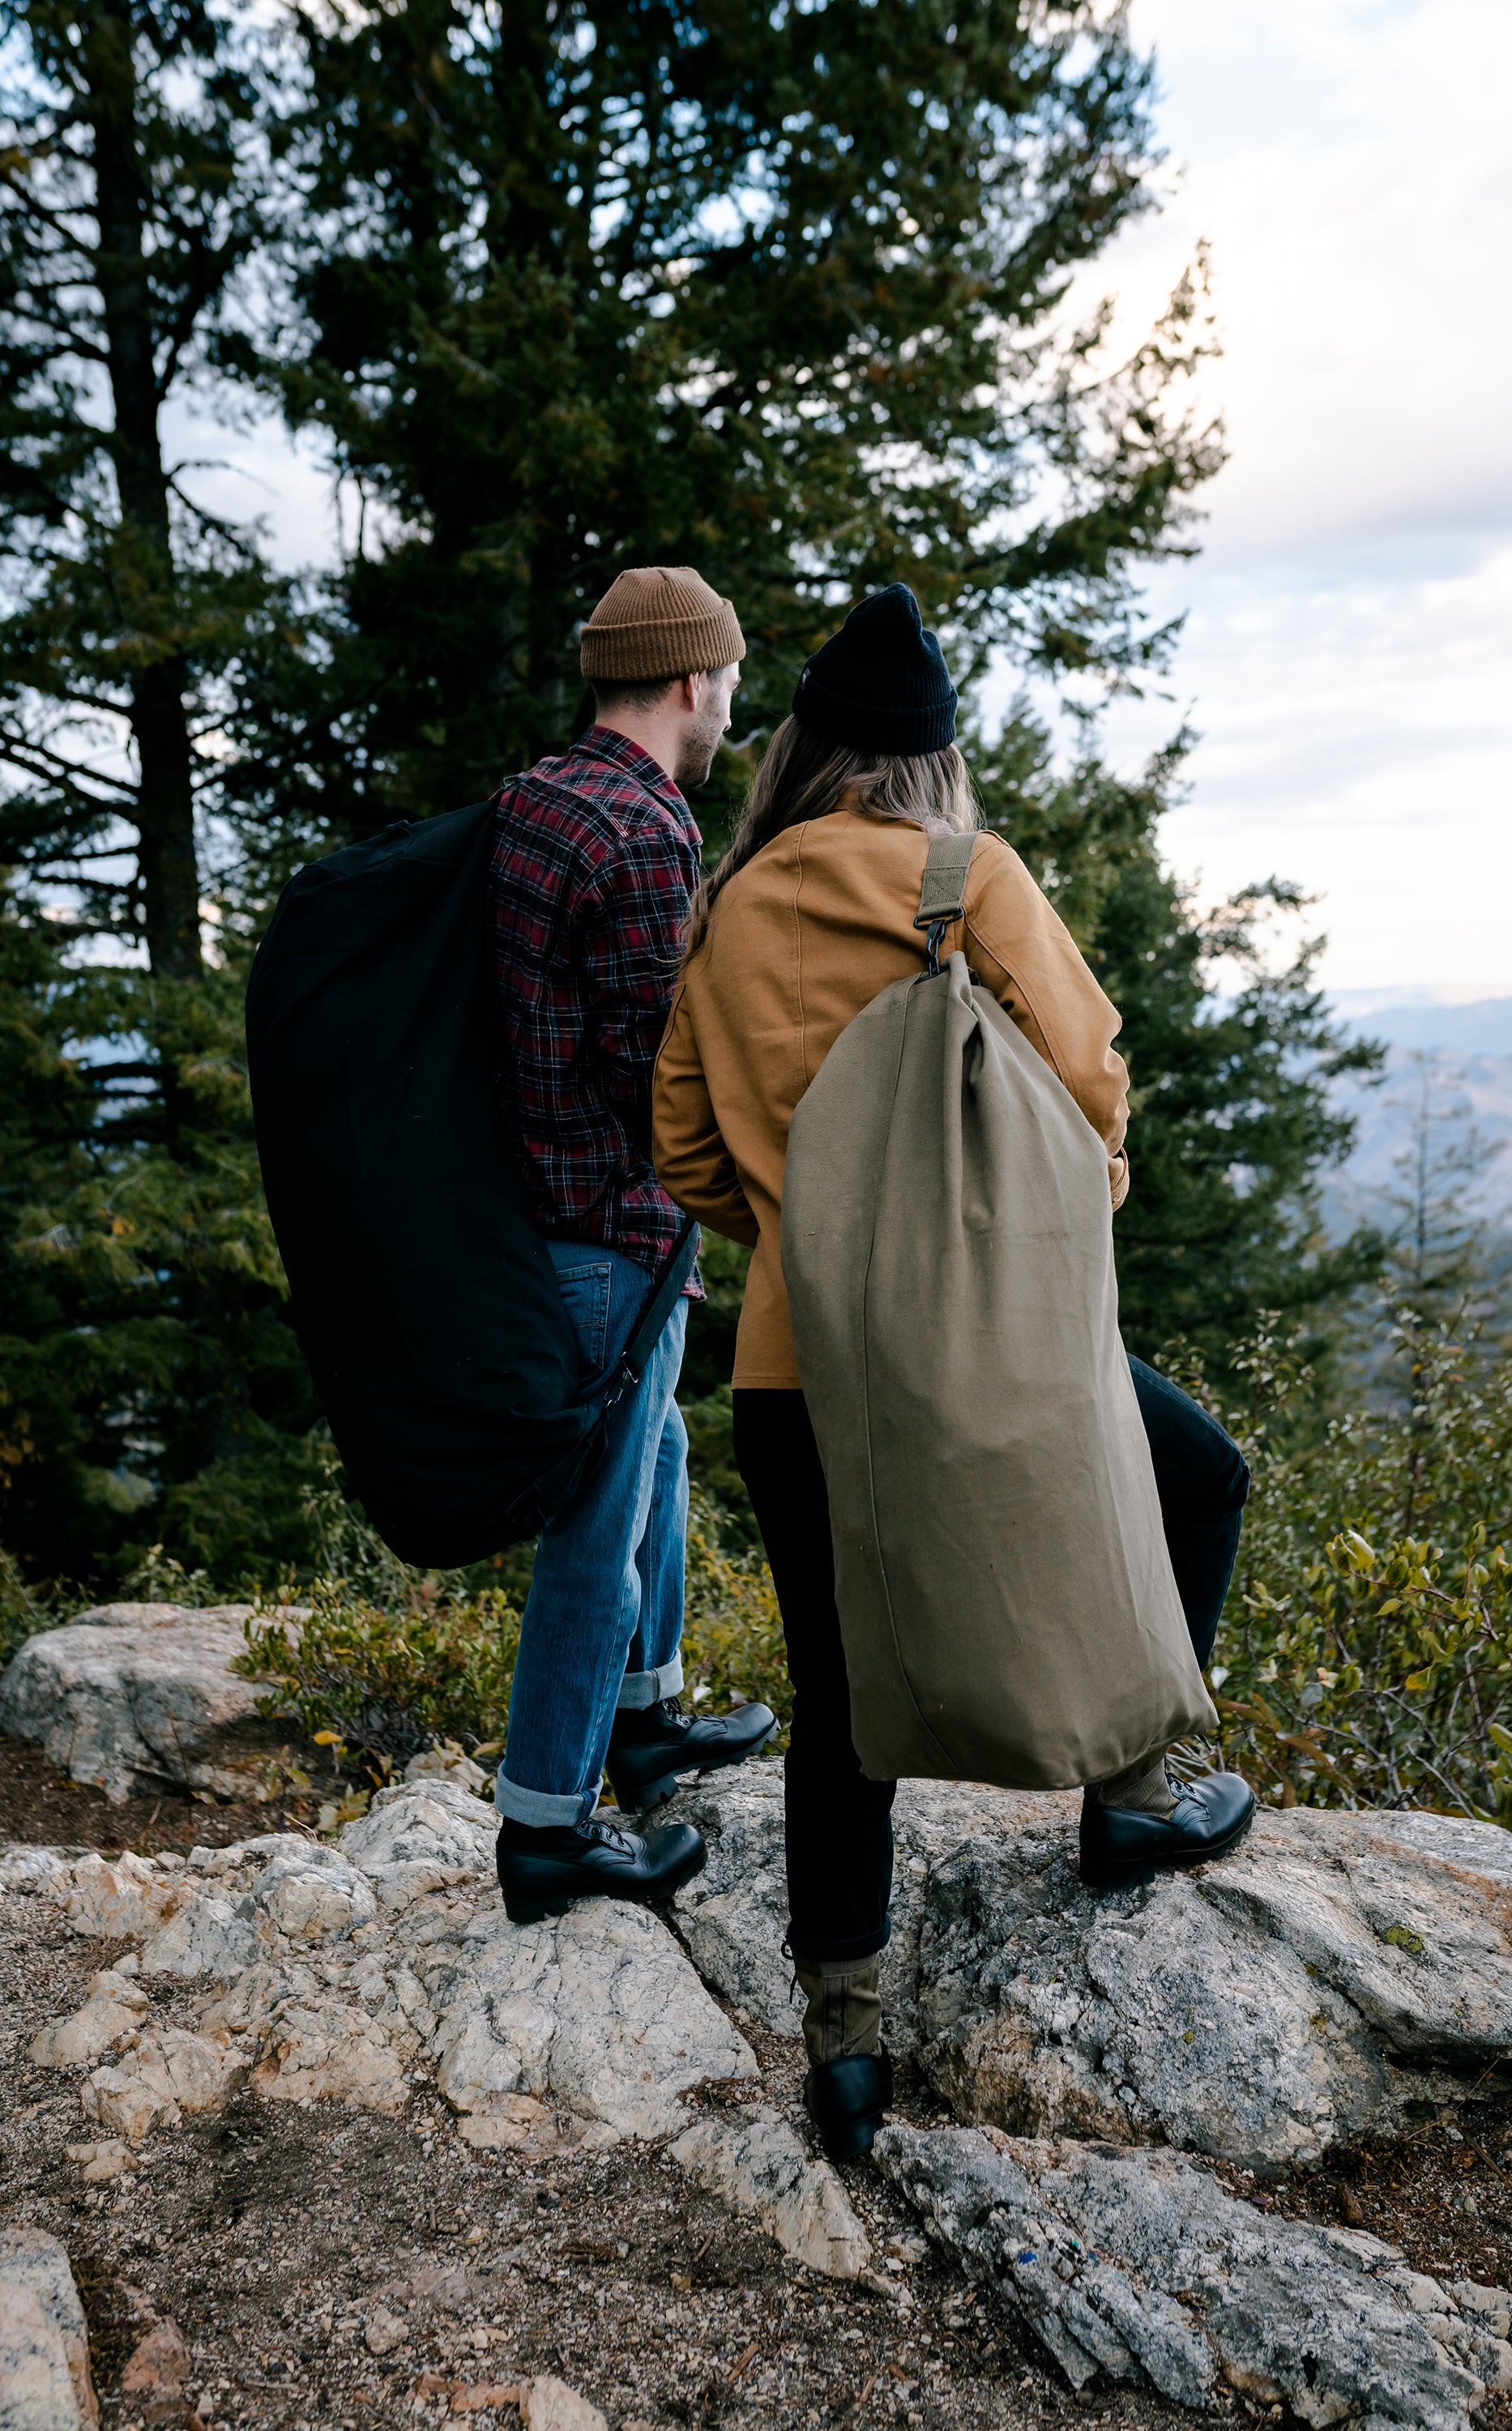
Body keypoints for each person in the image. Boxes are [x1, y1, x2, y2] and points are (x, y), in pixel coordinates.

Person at [651, 584, 1254, 2155]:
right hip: (979, 1350)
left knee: (835, 1700)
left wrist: (796, 1229)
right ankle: (1127, 1796)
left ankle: (843, 2057)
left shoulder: (724, 909)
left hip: (796, 1371)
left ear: (801, 750)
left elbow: (677, 1145)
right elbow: (1086, 1074)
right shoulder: (958, 876)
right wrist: (1065, 1211)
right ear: (927, 761)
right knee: (1196, 1480)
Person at [486, 566, 778, 1927]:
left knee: (655, 1458)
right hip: (613, 1236)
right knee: (592, 1533)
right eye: (723, 680)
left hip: (549, 1225)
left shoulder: (533, 803)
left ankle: (648, 1718)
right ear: (682, 682)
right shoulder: (645, 835)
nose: (730, 703)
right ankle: (548, 1824)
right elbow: (656, 1071)